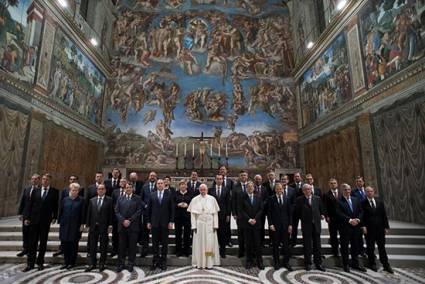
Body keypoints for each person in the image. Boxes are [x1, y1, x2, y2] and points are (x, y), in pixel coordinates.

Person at [23, 173, 59, 272]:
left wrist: (55, 217)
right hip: (34, 220)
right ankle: (30, 263)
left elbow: (55, 206)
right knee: (32, 243)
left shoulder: (54, 191)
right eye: (43, 179)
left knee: (43, 243)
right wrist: (27, 217)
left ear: (50, 181)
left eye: (47, 179)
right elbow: (29, 205)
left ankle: (40, 262)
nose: (44, 181)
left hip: (45, 221)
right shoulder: (35, 191)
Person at [188, 183, 220, 269]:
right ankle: (199, 262)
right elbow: (193, 215)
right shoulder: (194, 200)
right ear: (199, 190)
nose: (203, 191)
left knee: (209, 244)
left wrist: (215, 225)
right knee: (199, 244)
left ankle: (209, 262)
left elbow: (215, 214)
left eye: (204, 189)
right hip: (199, 226)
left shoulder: (212, 199)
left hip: (210, 225)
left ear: (207, 190)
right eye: (201, 189)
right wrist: (193, 226)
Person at [361, 186, 393, 273]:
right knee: (370, 248)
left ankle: (386, 265)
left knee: (382, 248)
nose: (369, 193)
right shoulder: (362, 203)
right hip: (369, 230)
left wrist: (386, 227)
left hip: (380, 229)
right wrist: (363, 226)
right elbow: (361, 217)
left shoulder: (379, 202)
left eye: (371, 191)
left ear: (373, 192)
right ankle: (372, 264)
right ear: (365, 193)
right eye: (367, 191)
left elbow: (384, 216)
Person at [295, 184, 326, 271]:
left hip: (316, 225)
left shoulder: (317, 199)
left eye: (309, 189)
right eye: (306, 189)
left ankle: (318, 263)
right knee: (307, 245)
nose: (308, 191)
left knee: (317, 246)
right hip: (306, 226)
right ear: (303, 191)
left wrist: (322, 214)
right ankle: (308, 263)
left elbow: (321, 209)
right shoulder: (299, 200)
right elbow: (297, 213)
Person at [337, 183, 366, 273]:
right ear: (342, 191)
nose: (347, 191)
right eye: (345, 189)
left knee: (355, 246)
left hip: (356, 227)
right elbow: (338, 213)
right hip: (345, 227)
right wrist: (349, 220)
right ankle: (345, 264)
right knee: (345, 247)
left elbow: (361, 211)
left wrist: (357, 220)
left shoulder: (355, 199)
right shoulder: (338, 201)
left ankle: (355, 263)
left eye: (349, 189)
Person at [147, 179, 175, 271]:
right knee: (155, 244)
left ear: (164, 184)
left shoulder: (169, 194)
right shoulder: (152, 194)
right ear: (156, 185)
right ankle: (155, 261)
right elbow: (149, 210)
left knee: (164, 244)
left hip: (165, 223)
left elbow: (172, 209)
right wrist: (148, 221)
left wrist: (171, 221)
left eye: (161, 183)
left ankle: (163, 262)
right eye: (158, 183)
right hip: (154, 223)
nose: (159, 185)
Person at [85, 184, 113, 272]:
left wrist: (110, 225)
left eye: (102, 189)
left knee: (103, 246)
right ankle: (92, 263)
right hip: (93, 227)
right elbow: (89, 213)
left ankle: (102, 263)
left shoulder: (109, 200)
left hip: (104, 227)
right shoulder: (92, 200)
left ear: (105, 190)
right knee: (92, 246)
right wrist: (87, 225)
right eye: (99, 189)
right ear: (97, 190)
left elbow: (111, 214)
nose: (100, 190)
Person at [115, 183, 143, 273]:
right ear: (124, 189)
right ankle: (121, 264)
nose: (128, 189)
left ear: (133, 188)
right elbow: (117, 211)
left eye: (130, 187)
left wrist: (129, 220)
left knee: (132, 247)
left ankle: (131, 264)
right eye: (127, 187)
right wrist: (123, 220)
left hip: (133, 226)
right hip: (122, 226)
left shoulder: (137, 198)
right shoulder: (120, 198)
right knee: (121, 246)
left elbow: (139, 211)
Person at [58, 183, 85, 270]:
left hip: (75, 226)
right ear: (70, 190)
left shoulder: (81, 200)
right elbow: (61, 211)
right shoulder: (65, 200)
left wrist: (82, 224)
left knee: (73, 245)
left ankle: (72, 262)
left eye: (76, 190)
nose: (74, 192)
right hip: (65, 225)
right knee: (65, 244)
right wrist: (60, 222)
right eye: (73, 190)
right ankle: (66, 262)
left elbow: (83, 213)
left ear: (78, 191)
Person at [238, 181, 264, 269]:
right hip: (247, 224)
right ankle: (249, 261)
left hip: (256, 224)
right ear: (246, 188)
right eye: (248, 187)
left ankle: (259, 261)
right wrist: (249, 219)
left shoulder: (258, 197)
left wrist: (255, 219)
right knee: (248, 244)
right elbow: (241, 210)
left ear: (254, 188)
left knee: (257, 244)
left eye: (251, 187)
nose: (250, 188)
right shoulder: (242, 197)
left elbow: (261, 209)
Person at [268, 182, 293, 271]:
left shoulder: (287, 198)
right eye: (277, 189)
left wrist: (290, 225)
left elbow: (290, 213)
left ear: (283, 189)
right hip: (275, 226)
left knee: (286, 246)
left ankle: (286, 262)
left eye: (280, 188)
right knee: (275, 246)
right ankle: (277, 262)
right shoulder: (271, 199)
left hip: (286, 226)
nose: (279, 190)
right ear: (275, 190)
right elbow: (269, 213)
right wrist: (270, 224)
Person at [17, 174, 40, 257]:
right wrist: (20, 213)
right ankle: (25, 249)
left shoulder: (40, 190)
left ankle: (31, 249)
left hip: (35, 216)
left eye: (35, 179)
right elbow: (22, 202)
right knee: (25, 232)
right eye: (32, 179)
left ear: (39, 180)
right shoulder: (27, 189)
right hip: (26, 215)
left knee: (33, 234)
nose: (33, 180)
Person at [209, 174, 231, 258]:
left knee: (222, 234)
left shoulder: (226, 189)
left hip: (223, 215)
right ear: (215, 180)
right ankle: (212, 253)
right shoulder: (211, 190)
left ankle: (222, 252)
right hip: (212, 215)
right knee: (212, 234)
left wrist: (228, 214)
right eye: (217, 179)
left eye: (220, 179)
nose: (219, 180)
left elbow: (228, 203)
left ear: (222, 180)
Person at [174, 179, 193, 257]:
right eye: (181, 184)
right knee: (178, 235)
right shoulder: (175, 194)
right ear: (179, 186)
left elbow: (193, 204)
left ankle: (186, 251)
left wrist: (188, 205)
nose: (183, 186)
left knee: (187, 235)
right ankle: (178, 251)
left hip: (187, 217)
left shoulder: (190, 194)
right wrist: (178, 205)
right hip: (178, 217)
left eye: (184, 184)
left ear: (186, 186)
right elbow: (172, 203)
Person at [232, 170, 249, 257]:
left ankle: (248, 251)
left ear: (247, 176)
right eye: (241, 175)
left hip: (250, 214)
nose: (243, 177)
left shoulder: (251, 185)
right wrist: (234, 213)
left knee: (248, 234)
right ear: (239, 177)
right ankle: (241, 251)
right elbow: (233, 201)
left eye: (244, 175)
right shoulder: (235, 187)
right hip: (240, 214)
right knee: (240, 233)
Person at [141, 171, 157, 257]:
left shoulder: (158, 187)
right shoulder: (144, 187)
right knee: (145, 232)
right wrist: (145, 205)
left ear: (156, 177)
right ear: (148, 176)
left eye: (154, 176)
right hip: (146, 213)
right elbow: (141, 199)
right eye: (151, 175)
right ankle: (145, 249)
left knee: (154, 232)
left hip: (155, 213)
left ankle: (155, 251)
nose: (152, 177)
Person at [323, 177, 340, 257]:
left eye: (334, 183)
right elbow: (325, 206)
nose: (333, 185)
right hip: (332, 218)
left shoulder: (341, 194)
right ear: (329, 185)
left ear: (337, 184)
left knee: (343, 235)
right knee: (333, 236)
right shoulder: (326, 195)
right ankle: (335, 251)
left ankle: (343, 250)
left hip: (342, 219)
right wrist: (326, 216)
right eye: (331, 183)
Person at [110, 179, 128, 257]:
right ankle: (115, 249)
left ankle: (125, 250)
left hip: (126, 217)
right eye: (121, 182)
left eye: (124, 182)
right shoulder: (115, 191)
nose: (122, 183)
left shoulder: (129, 191)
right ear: (119, 183)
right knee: (115, 234)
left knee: (125, 235)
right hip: (116, 217)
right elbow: (112, 203)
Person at [351, 176, 367, 256]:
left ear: (363, 182)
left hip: (368, 216)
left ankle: (369, 250)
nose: (358, 183)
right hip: (359, 215)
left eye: (360, 181)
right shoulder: (353, 192)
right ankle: (361, 250)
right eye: (357, 181)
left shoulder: (367, 191)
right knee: (359, 235)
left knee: (369, 235)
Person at [290, 171, 303, 246]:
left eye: (298, 176)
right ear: (294, 178)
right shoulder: (291, 186)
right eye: (295, 176)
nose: (297, 177)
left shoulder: (305, 185)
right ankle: (293, 241)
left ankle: (306, 241)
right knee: (294, 226)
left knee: (305, 226)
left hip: (303, 210)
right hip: (294, 210)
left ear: (300, 177)